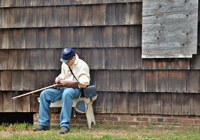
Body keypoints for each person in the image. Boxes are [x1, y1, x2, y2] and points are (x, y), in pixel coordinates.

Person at [34, 47, 90, 134]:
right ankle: (44, 124)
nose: (66, 63)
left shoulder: (82, 65)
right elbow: (63, 74)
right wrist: (59, 78)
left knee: (67, 93)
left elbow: (84, 84)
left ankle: (64, 125)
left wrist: (68, 82)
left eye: (68, 61)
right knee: (44, 94)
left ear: (74, 57)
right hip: (63, 88)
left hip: (75, 89)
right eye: (64, 61)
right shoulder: (65, 64)